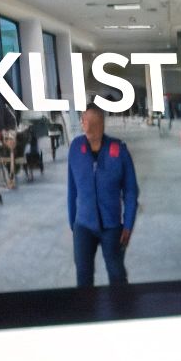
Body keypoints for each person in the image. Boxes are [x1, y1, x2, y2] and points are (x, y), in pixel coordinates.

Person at [67, 103, 139, 286]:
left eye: (95, 122)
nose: (89, 127)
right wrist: (73, 223)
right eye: (86, 122)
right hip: (83, 225)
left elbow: (131, 192)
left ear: (103, 124)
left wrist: (128, 225)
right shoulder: (76, 149)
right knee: (83, 275)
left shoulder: (119, 151)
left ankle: (122, 311)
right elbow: (72, 190)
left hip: (111, 225)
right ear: (82, 123)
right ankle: (87, 312)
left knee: (116, 273)